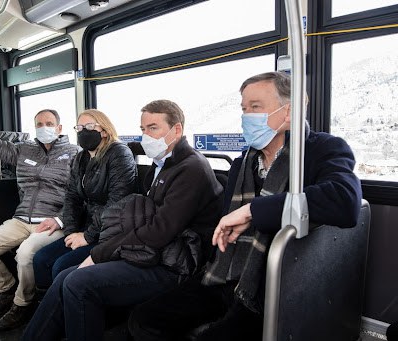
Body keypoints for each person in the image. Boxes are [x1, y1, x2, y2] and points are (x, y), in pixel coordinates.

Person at [128, 71, 363, 341]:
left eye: (255, 107)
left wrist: (254, 211)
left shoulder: (321, 150)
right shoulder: (243, 164)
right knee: (144, 320)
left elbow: (345, 201)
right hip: (227, 270)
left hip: (274, 283)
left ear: (290, 112)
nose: (246, 116)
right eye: (243, 108)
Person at [22, 99, 224, 341]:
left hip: (175, 265)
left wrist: (100, 253)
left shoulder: (191, 169)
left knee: (79, 282)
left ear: (177, 130)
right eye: (143, 129)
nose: (146, 136)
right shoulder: (162, 165)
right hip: (154, 253)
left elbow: (159, 231)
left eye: (153, 128)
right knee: (66, 276)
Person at [0, 86, 79, 331]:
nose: (44, 127)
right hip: (20, 219)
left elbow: (79, 195)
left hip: (51, 221)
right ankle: (5, 289)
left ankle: (22, 304)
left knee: (25, 253)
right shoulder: (24, 149)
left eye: (49, 123)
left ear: (60, 128)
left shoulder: (74, 154)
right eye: (39, 123)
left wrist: (60, 219)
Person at [32, 109, 137, 290]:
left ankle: (62, 311)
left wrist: (87, 236)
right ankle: (47, 309)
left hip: (110, 232)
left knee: (60, 266)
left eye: (89, 126)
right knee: (41, 259)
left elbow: (117, 203)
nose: (83, 132)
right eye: (79, 128)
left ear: (104, 130)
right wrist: (71, 233)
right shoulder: (81, 158)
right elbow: (72, 196)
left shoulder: (119, 154)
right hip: (85, 226)